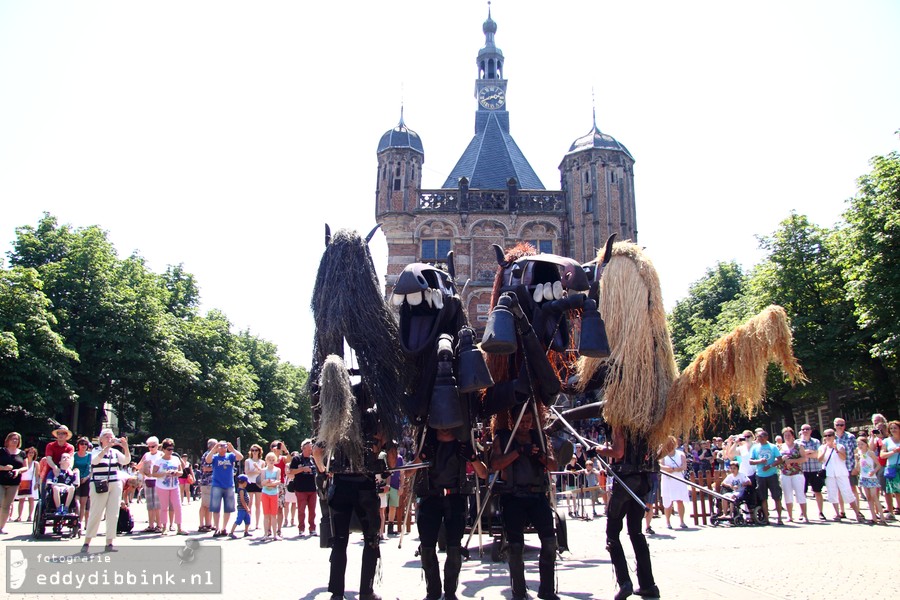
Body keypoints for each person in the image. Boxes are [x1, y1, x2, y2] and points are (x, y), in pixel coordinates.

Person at [490, 408, 559, 600]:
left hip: (536, 495)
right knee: (515, 546)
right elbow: (494, 465)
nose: (525, 425)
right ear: (514, 420)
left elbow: (554, 465)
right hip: (512, 497)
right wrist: (518, 452)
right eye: (522, 421)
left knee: (549, 541)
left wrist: (540, 456)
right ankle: (518, 591)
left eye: (528, 421)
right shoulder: (503, 438)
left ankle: (547, 589)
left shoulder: (539, 437)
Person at [414, 427, 487, 600]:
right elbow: (409, 471)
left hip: (455, 498)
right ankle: (432, 592)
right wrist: (422, 457)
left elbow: (483, 473)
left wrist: (472, 457)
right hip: (431, 498)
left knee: (454, 548)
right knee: (427, 547)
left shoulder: (463, 442)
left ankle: (450, 592)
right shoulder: (427, 442)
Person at [595, 426, 660, 600]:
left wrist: (598, 449)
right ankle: (648, 585)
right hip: (642, 481)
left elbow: (618, 452)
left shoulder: (620, 422)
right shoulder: (646, 425)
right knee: (636, 532)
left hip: (625, 483)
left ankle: (625, 582)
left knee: (612, 534)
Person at [82, 429, 131, 552]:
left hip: (115, 483)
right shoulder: (95, 450)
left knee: (113, 513)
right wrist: (105, 449)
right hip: (99, 483)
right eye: (107, 437)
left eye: (111, 437)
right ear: (101, 439)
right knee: (96, 512)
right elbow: (94, 461)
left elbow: (126, 461)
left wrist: (125, 447)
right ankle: (87, 542)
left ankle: (109, 542)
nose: (110, 439)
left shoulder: (114, 452)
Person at [817, 428, 865, 522]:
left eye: (829, 435)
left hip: (841, 472)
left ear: (834, 436)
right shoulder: (822, 448)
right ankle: (837, 513)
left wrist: (836, 449)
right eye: (825, 436)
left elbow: (843, 458)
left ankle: (857, 513)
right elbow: (820, 459)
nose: (827, 437)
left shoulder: (840, 446)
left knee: (847, 492)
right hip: (829, 474)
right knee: (832, 493)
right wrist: (825, 450)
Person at [205, 440, 243, 537]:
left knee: (228, 509)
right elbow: (207, 460)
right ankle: (217, 528)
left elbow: (240, 457)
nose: (223, 448)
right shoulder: (215, 457)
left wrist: (233, 449)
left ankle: (224, 528)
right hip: (217, 485)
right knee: (216, 508)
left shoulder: (230, 456)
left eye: (224, 446)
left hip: (229, 485)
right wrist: (214, 449)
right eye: (221, 446)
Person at [151, 438, 187, 535]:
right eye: (168, 449)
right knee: (164, 507)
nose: (171, 451)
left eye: (172, 449)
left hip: (174, 485)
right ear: (163, 449)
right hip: (162, 486)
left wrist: (176, 473)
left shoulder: (175, 459)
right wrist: (164, 473)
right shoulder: (159, 461)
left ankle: (179, 527)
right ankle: (164, 527)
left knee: (178, 506)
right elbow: (153, 473)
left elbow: (181, 472)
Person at [749, 430, 784, 525]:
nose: (758, 438)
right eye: (757, 437)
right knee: (763, 498)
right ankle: (766, 519)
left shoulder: (773, 447)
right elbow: (751, 461)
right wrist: (759, 461)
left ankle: (779, 518)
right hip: (760, 475)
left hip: (772, 475)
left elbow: (780, 460)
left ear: (766, 437)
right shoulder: (755, 448)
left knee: (777, 497)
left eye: (760, 436)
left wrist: (770, 465)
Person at [0, 432, 28, 534]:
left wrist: (18, 471)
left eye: (16, 439)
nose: (14, 441)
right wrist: (3, 468)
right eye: (12, 439)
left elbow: (26, 467)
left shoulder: (22, 453)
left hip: (14, 482)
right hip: (1, 480)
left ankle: (1, 527)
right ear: (7, 440)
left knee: (6, 506)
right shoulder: (1, 451)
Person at [658, 436, 689, 529]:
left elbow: (684, 466)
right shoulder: (662, 454)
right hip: (667, 479)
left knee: (680, 500)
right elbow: (660, 465)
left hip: (678, 478)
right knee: (668, 502)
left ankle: (682, 521)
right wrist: (668, 469)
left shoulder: (680, 453)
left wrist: (675, 469)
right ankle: (668, 522)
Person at [289, 439, 318, 537]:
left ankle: (312, 529)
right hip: (301, 488)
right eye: (309, 447)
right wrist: (302, 469)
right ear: (303, 448)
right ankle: (301, 529)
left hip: (312, 488)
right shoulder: (296, 459)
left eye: (311, 447)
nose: (311, 449)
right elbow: (291, 471)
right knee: (301, 510)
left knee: (312, 511)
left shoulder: (313, 459)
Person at [797, 424, 826, 520]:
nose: (805, 431)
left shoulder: (816, 441)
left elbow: (818, 455)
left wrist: (804, 454)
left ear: (810, 431)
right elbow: (797, 456)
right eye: (803, 429)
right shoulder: (797, 443)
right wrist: (809, 452)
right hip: (802, 470)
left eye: (807, 429)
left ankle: (820, 512)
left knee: (817, 491)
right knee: (802, 492)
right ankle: (802, 512)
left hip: (815, 469)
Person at [779, 427, 807, 522]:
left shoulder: (799, 446)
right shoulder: (780, 447)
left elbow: (804, 458)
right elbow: (777, 460)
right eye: (785, 435)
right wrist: (782, 459)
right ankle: (790, 516)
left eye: (789, 435)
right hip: (785, 473)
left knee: (800, 494)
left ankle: (805, 515)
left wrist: (792, 460)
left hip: (797, 473)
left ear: (792, 436)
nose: (787, 437)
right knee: (787, 495)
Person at [856, 437, 886, 525]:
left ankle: (882, 518)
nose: (860, 446)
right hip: (864, 477)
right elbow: (858, 468)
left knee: (874, 496)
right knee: (868, 497)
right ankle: (873, 517)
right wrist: (856, 460)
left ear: (866, 444)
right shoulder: (859, 453)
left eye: (862, 444)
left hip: (871, 477)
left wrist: (873, 471)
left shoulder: (870, 453)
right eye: (858, 444)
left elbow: (878, 465)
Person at [136, 436, 162, 533]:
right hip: (147, 480)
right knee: (150, 504)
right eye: (149, 446)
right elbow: (138, 466)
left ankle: (159, 525)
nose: (151, 448)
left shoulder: (161, 454)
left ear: (157, 446)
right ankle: (151, 525)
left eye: (153, 446)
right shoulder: (146, 455)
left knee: (157, 505)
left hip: (157, 480)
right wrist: (144, 464)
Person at [833, 417, 859, 514]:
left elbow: (856, 452)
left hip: (849, 466)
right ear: (834, 426)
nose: (839, 427)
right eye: (837, 425)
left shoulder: (850, 437)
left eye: (841, 425)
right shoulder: (832, 437)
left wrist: (856, 466)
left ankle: (858, 510)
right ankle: (842, 511)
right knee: (839, 490)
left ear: (844, 426)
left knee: (853, 488)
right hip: (838, 467)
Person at [880, 420, 900, 517]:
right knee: (892, 489)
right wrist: (893, 452)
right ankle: (893, 509)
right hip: (891, 466)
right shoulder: (887, 441)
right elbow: (882, 455)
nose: (893, 430)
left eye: (895, 428)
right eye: (891, 428)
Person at [260, 451, 282, 539]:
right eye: (269, 459)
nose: (271, 461)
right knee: (266, 514)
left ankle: (275, 534)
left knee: (274, 515)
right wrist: (269, 483)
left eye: (273, 459)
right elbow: (262, 482)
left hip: (274, 493)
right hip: (265, 493)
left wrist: (269, 483)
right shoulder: (263, 470)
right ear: (266, 460)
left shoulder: (277, 470)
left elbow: (278, 481)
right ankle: (265, 534)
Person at [243, 444, 265, 531]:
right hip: (250, 482)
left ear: (259, 451)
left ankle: (257, 524)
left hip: (258, 483)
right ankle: (249, 523)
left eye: (256, 450)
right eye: (253, 450)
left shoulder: (262, 462)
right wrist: (255, 470)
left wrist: (257, 469)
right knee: (249, 503)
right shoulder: (248, 461)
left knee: (258, 504)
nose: (254, 452)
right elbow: (247, 472)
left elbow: (262, 472)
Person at [197, 439, 217, 532]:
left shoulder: (214, 455)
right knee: (204, 504)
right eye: (217, 445)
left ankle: (208, 524)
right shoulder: (207, 455)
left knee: (209, 505)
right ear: (211, 446)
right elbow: (205, 468)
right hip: (206, 483)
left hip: (212, 483)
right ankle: (201, 525)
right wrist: (218, 468)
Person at [15, 446, 38, 523]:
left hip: (32, 482)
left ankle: (30, 516)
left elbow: (37, 475)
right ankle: (19, 516)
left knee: (31, 500)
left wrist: (37, 483)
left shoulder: (36, 463)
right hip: (22, 481)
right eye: (29, 453)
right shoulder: (23, 462)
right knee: (21, 500)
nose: (31, 454)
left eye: (32, 453)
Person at [72, 438, 92, 527]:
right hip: (76, 479)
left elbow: (92, 469)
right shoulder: (74, 455)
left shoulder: (89, 456)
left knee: (83, 502)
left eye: (85, 444)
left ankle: (80, 522)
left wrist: (87, 477)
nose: (84, 445)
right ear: (78, 445)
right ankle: (75, 520)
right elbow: (71, 467)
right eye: (82, 444)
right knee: (77, 501)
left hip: (86, 480)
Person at [231, 474, 252, 538]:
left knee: (248, 520)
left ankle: (246, 531)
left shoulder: (243, 489)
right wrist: (247, 508)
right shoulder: (241, 490)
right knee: (239, 520)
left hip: (245, 508)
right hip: (242, 508)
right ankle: (231, 532)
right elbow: (242, 500)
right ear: (244, 483)